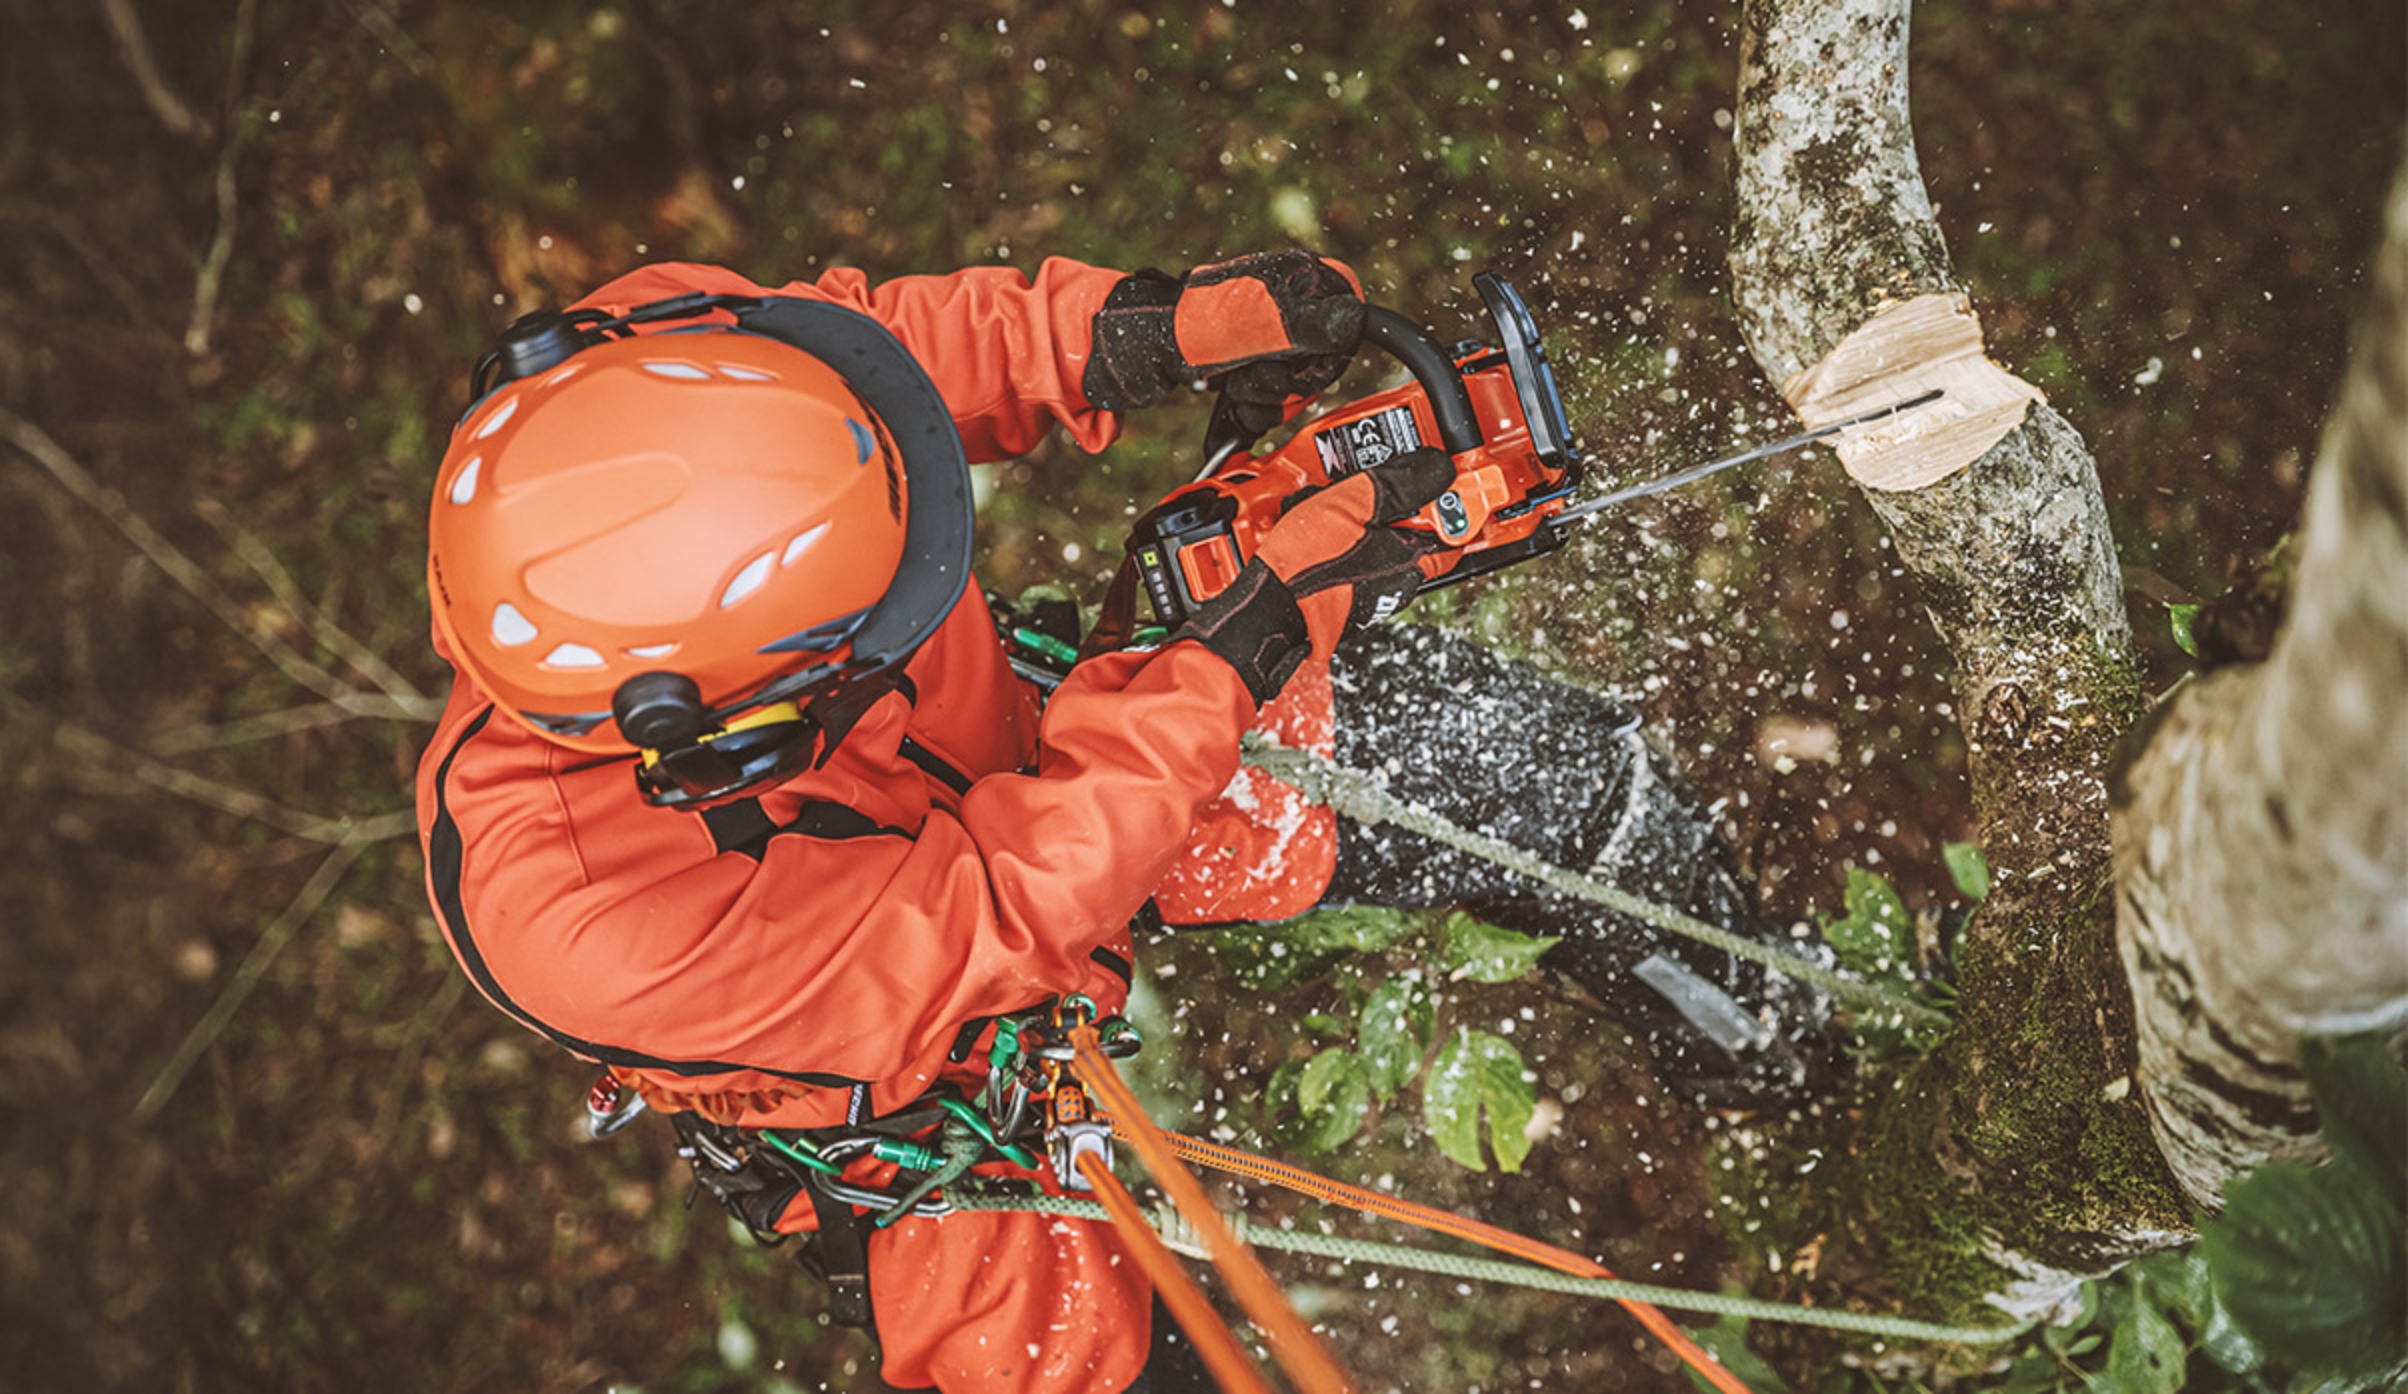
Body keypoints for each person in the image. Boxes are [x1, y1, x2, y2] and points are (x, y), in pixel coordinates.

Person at [406, 252, 1845, 1393]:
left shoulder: (631, 388)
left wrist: (1137, 332)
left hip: (1037, 759)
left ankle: (1779, 1041)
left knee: (1544, 777)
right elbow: (1018, 907)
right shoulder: (587, 921)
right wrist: (1236, 649)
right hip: (919, 1084)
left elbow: (881, 357)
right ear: (735, 731)